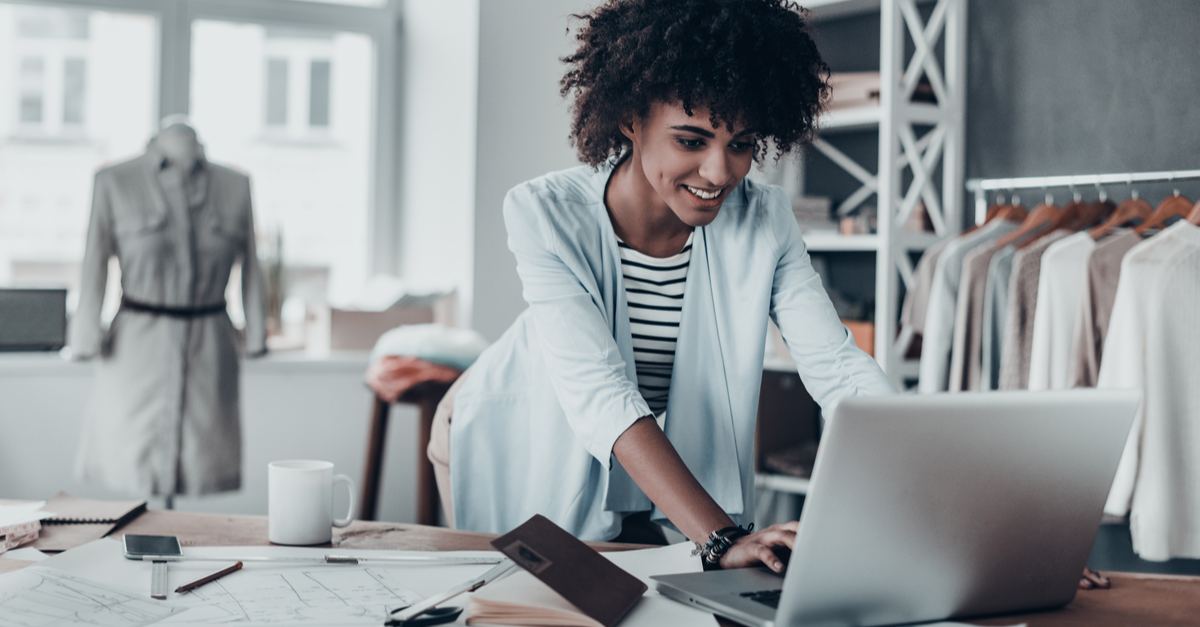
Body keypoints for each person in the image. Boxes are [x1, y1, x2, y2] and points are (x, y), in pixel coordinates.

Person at [429, 0, 1107, 588]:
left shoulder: (764, 218)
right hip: (515, 432)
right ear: (630, 118)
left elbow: (840, 371)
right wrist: (720, 537)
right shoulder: (543, 213)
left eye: (742, 143)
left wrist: (987, 532)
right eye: (691, 140)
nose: (719, 172)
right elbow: (601, 393)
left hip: (653, 458)